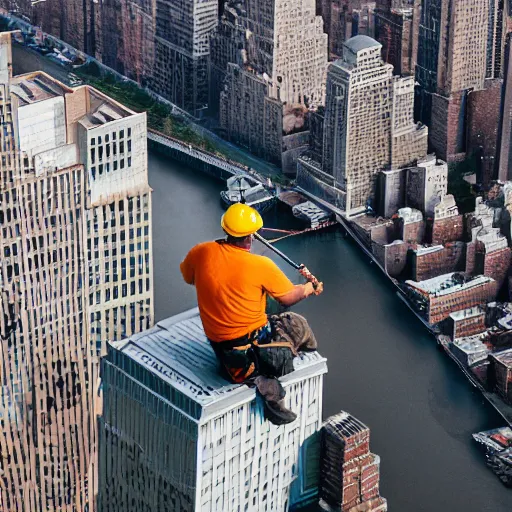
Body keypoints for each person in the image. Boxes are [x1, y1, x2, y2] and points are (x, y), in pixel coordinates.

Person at [180, 203, 323, 425]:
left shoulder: (200, 251)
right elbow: (288, 298)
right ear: (251, 237)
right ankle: (293, 356)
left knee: (262, 300)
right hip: (249, 345)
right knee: (296, 323)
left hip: (220, 345)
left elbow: (189, 277)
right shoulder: (260, 265)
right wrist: (309, 287)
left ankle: (252, 371)